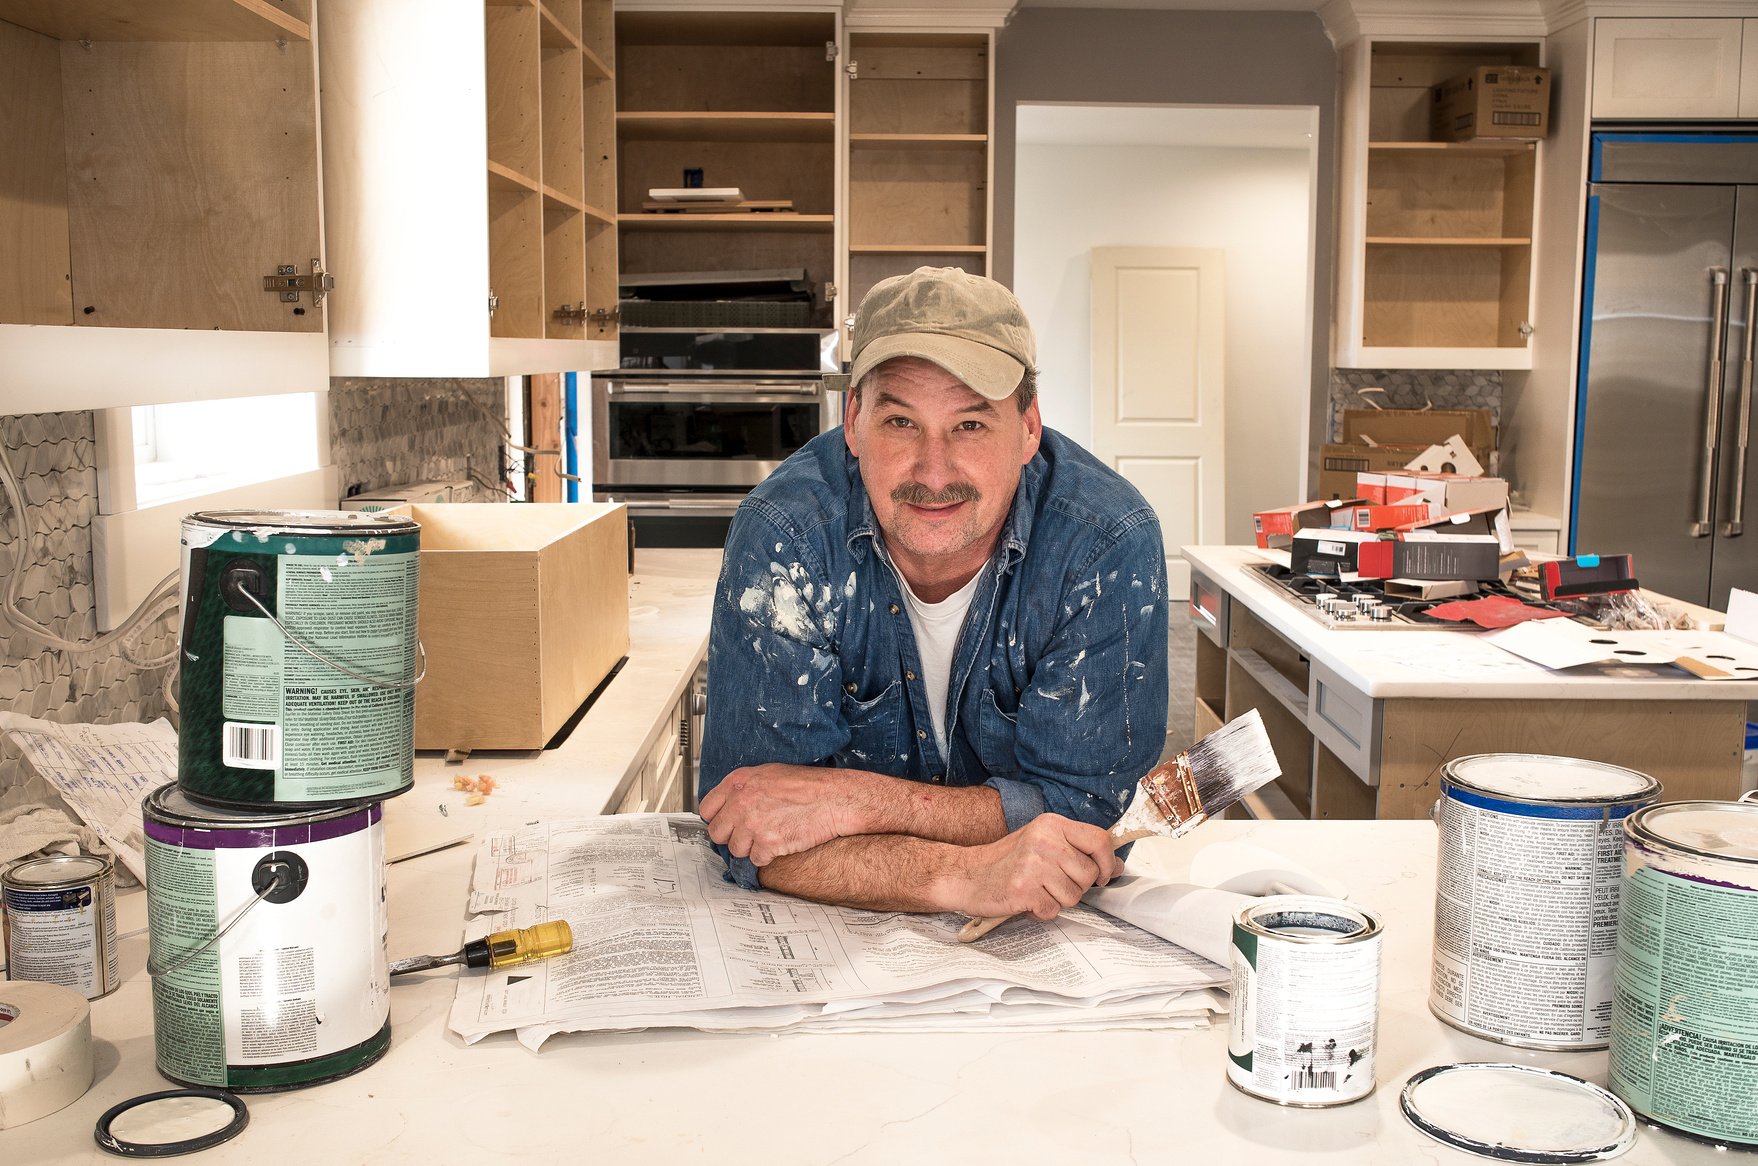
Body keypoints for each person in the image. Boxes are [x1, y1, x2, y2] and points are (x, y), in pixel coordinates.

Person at [697, 266, 1169, 924]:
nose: (934, 472)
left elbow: (1093, 820)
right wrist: (965, 874)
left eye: (971, 425)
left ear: (1030, 426)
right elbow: (748, 828)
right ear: (854, 422)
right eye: (900, 422)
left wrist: (861, 803)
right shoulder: (788, 536)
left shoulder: (1103, 543)